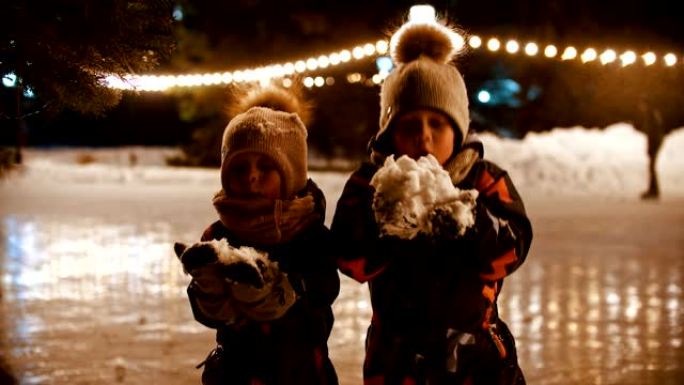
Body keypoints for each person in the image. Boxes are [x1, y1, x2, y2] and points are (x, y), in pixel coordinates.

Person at [330, 19, 533, 385]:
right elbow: (349, 259)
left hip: (476, 358)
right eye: (410, 125)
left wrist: (469, 220)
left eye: (437, 124)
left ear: (457, 129)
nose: (424, 136)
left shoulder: (484, 179)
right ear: (390, 134)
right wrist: (387, 219)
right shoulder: (369, 182)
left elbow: (511, 249)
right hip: (397, 358)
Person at [179, 85, 340, 385]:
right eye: (240, 166)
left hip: (302, 373)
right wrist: (208, 291)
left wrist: (282, 291)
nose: (251, 175)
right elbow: (205, 314)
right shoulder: (219, 234)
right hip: (236, 373)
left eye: (266, 166)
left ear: (291, 173)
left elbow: (324, 290)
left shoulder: (309, 233)